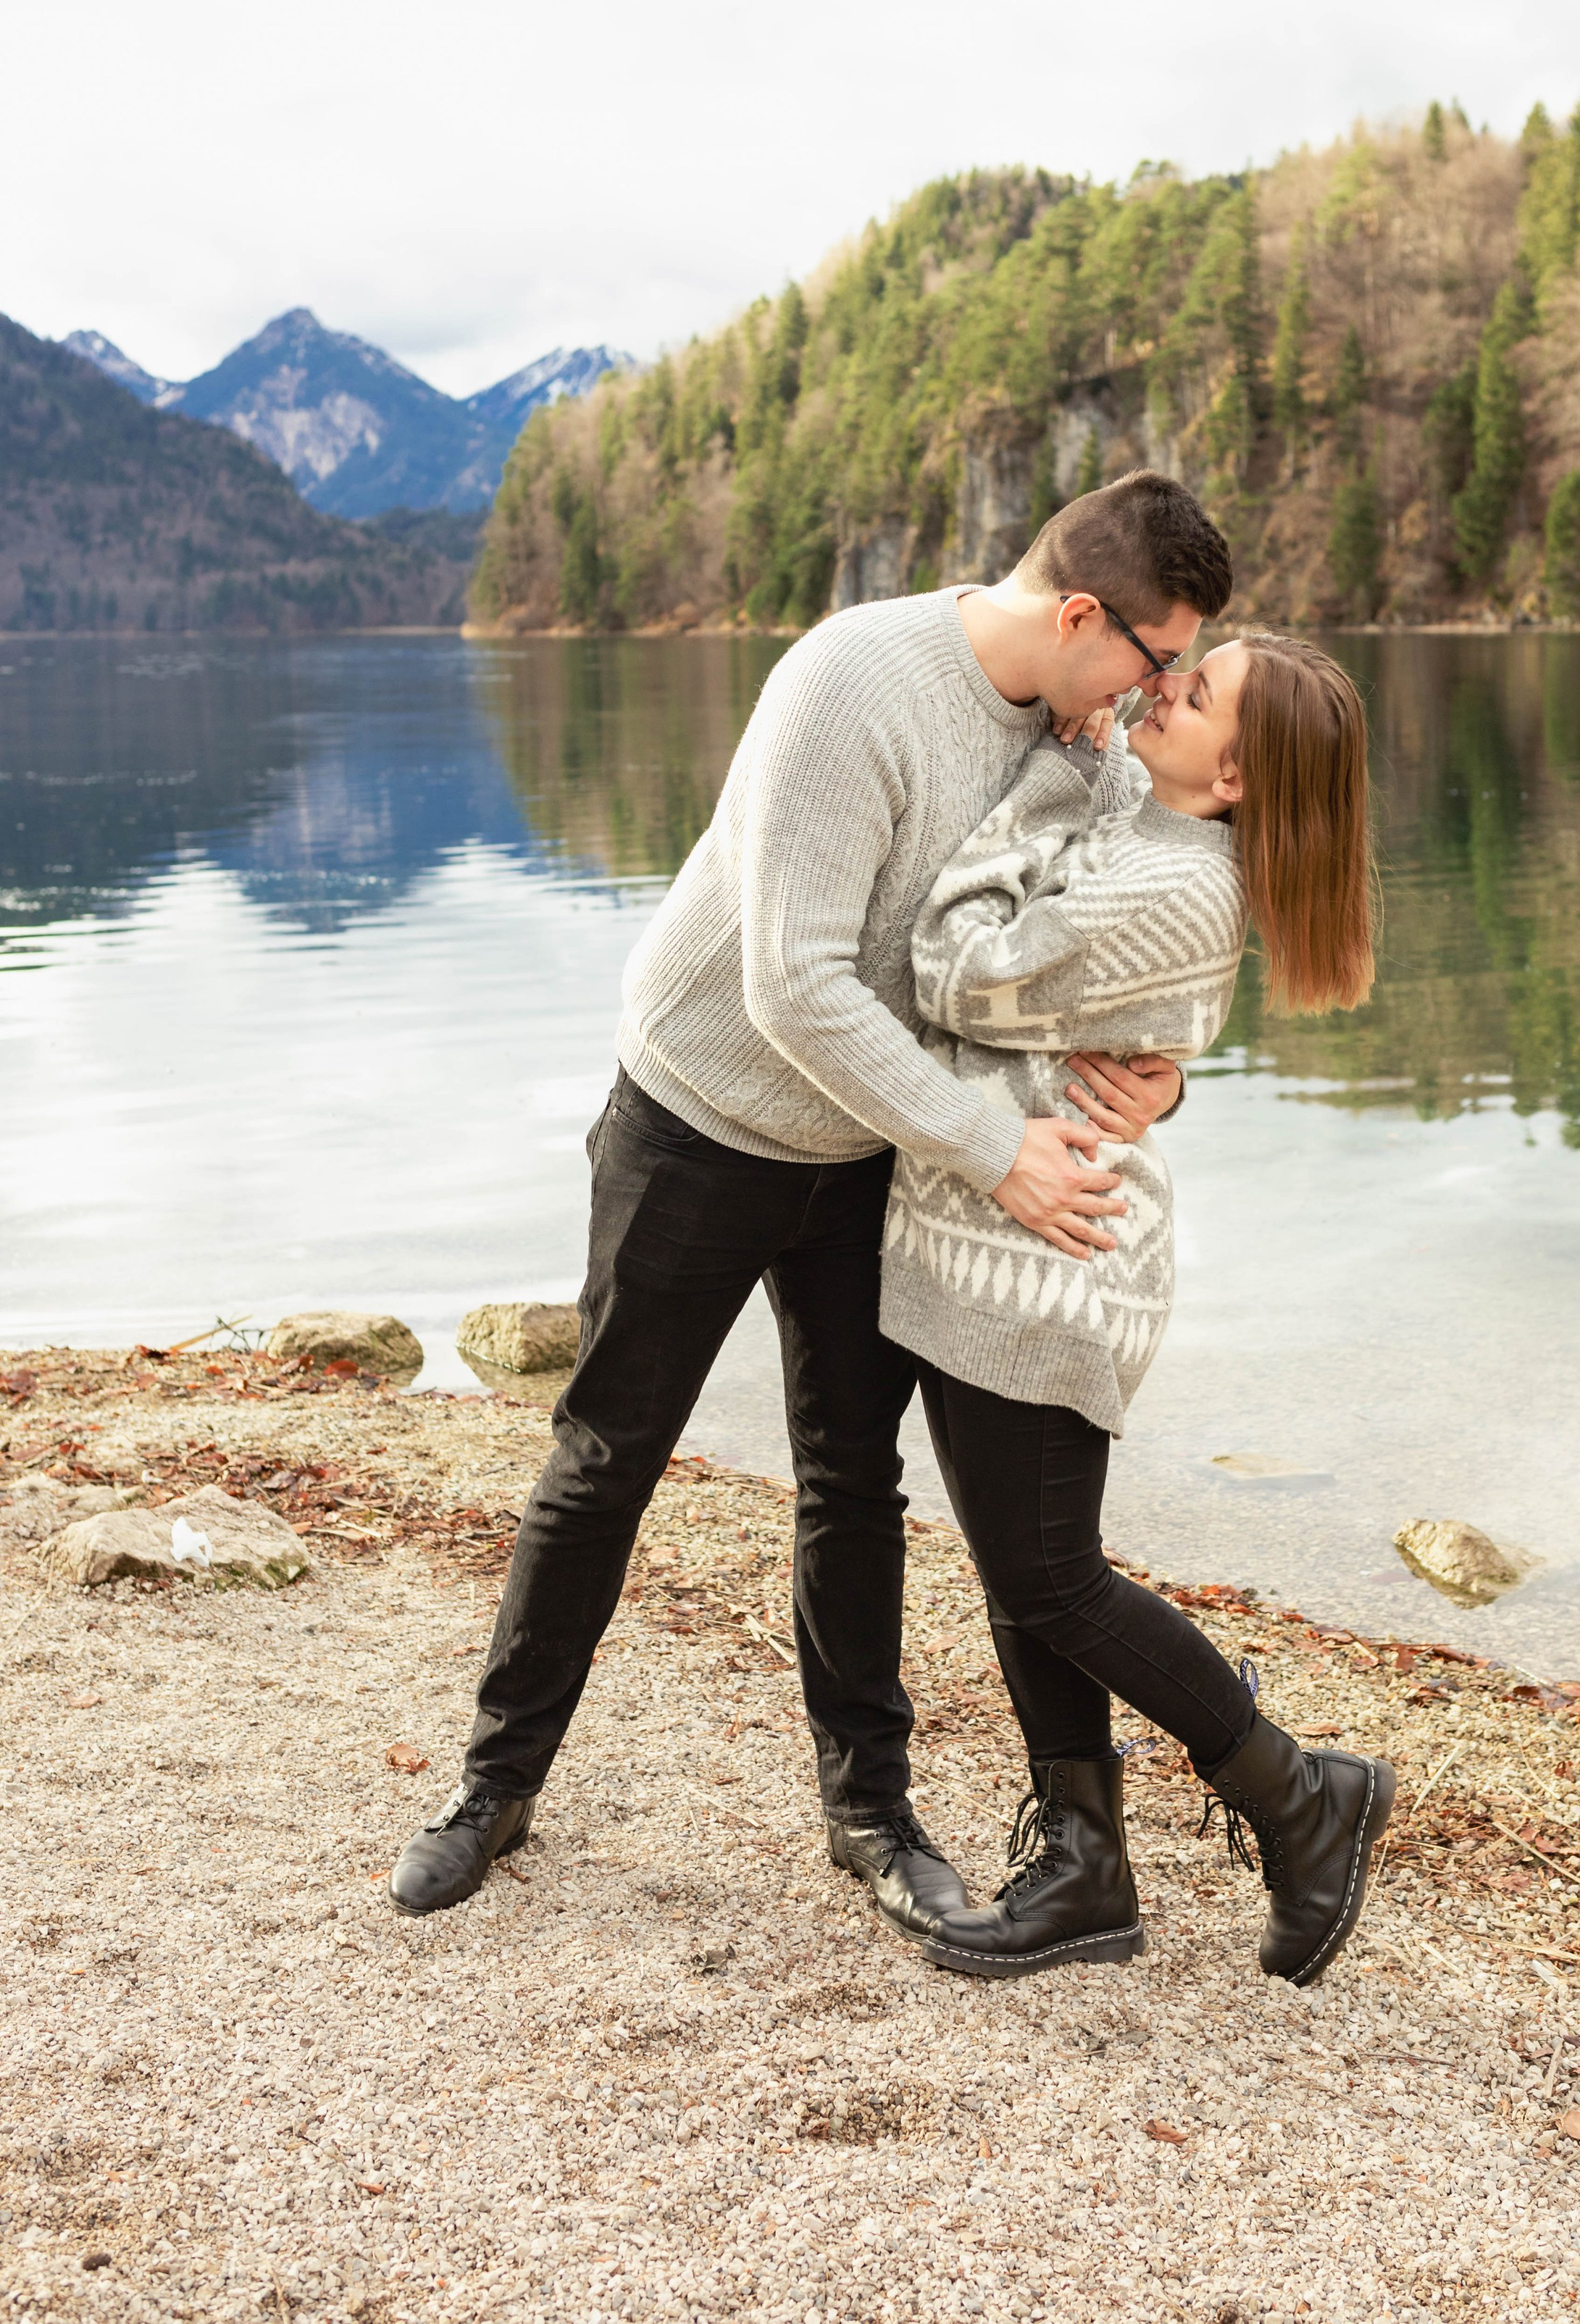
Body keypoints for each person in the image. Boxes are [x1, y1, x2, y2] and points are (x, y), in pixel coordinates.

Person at [388, 472, 1234, 1940]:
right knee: (607, 1457)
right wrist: (995, 1148)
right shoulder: (852, 683)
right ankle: (493, 1786)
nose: (1153, 696)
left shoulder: (1088, 744)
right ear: (1084, 617)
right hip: (700, 1116)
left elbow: (1113, 939)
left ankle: (870, 1810)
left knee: (852, 1480)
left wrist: (1162, 1076)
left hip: (868, 1155)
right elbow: (794, 983)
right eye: (1156, 660)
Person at [879, 632, 1395, 1986]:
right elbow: (1060, 985)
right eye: (1186, 663)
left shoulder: (1177, 881)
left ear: (1233, 777)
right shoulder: (1145, 812)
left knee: (1054, 1575)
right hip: (988, 1241)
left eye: (1197, 691)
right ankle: (1083, 1866)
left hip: (1057, 1264)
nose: (1165, 684)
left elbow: (951, 969)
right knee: (1022, 1571)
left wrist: (1053, 774)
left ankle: (1299, 1792)